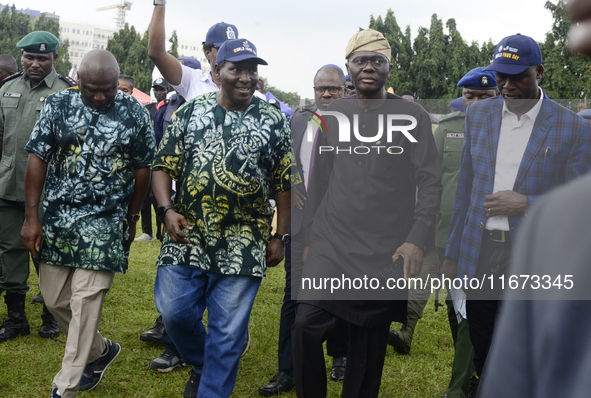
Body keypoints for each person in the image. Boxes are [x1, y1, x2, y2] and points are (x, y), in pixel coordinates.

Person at [292, 29, 441, 398]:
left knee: (367, 350)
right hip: (332, 240)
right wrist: (310, 237)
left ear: (390, 67)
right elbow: (320, 183)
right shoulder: (334, 114)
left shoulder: (413, 116)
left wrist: (416, 240)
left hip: (386, 249)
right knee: (306, 327)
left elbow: (431, 184)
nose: (369, 67)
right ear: (349, 68)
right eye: (361, 61)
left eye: (378, 60)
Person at [441, 33, 591, 386]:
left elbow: (578, 204)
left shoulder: (572, 127)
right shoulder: (478, 115)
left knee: (521, 347)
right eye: (500, 76)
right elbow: (465, 188)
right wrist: (452, 255)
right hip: (480, 251)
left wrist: (526, 204)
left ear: (539, 72)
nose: (506, 85)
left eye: (517, 76)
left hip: (530, 254)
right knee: (481, 344)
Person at [151, 38, 296, 398]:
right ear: (217, 73)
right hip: (189, 233)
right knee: (174, 313)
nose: (246, 78)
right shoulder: (189, 112)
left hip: (245, 240)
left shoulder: (273, 120)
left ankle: (211, 389)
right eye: (237, 69)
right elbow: (162, 166)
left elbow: (285, 181)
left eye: (252, 70)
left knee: (228, 332)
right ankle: (203, 362)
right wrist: (167, 209)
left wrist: (280, 236)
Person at [20, 49, 155, 398]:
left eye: (108, 89)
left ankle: (64, 387)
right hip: (58, 220)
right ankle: (100, 351)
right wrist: (31, 217)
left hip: (106, 222)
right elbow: (38, 158)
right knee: (55, 300)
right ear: (78, 80)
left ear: (117, 81)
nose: (100, 96)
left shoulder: (134, 114)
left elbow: (143, 169)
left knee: (85, 301)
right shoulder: (57, 105)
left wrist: (131, 216)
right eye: (92, 89)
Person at [258, 64, 349, 397]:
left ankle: (340, 355)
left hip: (340, 228)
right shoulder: (297, 120)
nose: (326, 95)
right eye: (320, 89)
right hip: (301, 223)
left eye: (333, 89)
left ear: (346, 90)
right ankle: (287, 369)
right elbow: (285, 161)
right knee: (294, 295)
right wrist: (292, 183)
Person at [0, 31, 75, 342]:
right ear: (22, 57)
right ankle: (16, 317)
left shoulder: (67, 92)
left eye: (42, 58)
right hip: (6, 186)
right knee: (9, 251)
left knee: (48, 252)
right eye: (29, 57)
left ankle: (51, 314)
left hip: (49, 192)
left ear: (54, 59)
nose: (34, 63)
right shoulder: (7, 88)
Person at [434, 67, 498, 398]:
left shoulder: (507, 131)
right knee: (455, 310)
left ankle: (459, 387)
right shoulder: (447, 130)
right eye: (468, 96)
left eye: (484, 96)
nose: (474, 103)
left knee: (471, 313)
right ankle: (474, 372)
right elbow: (430, 179)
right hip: (447, 231)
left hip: (486, 241)